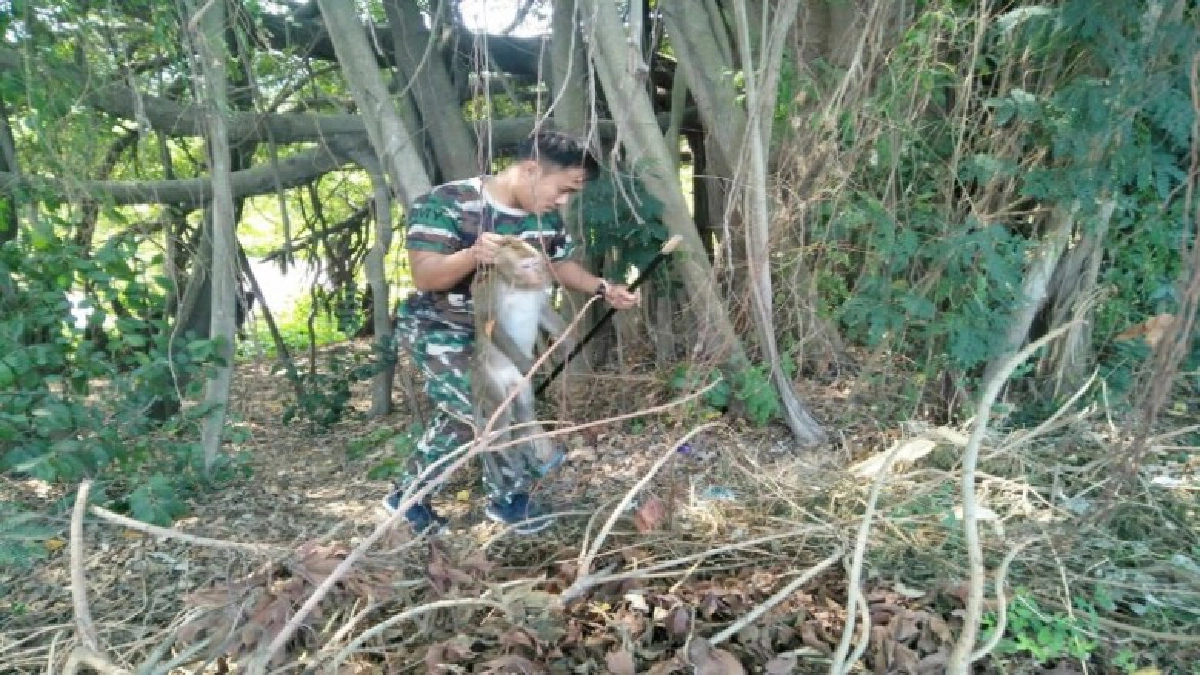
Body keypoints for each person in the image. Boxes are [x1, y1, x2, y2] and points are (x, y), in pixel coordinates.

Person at [381, 130, 640, 535]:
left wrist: (603, 289)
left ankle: (414, 498)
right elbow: (425, 275)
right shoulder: (446, 202)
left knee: (466, 419)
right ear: (531, 169)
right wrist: (472, 255)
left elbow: (559, 264)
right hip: (441, 327)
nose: (563, 201)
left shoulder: (545, 217)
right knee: (490, 405)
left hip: (502, 335)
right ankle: (509, 497)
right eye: (563, 189)